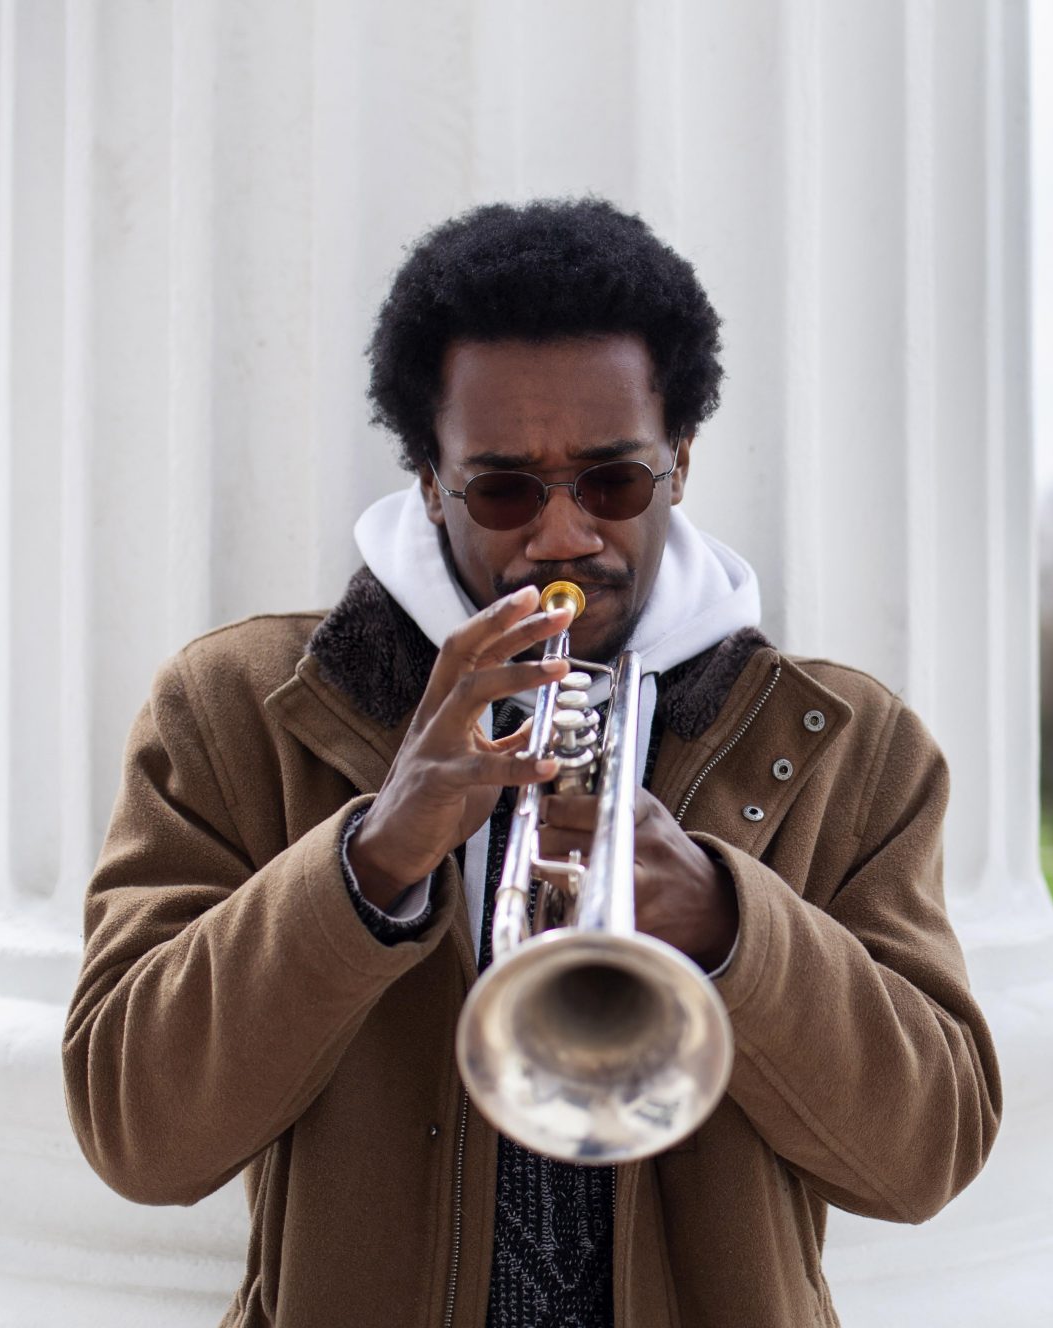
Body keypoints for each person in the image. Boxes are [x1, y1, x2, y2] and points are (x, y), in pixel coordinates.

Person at [62, 198, 1002, 1328]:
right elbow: (137, 1132)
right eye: (504, 489)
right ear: (427, 479)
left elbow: (926, 1153)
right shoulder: (232, 708)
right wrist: (371, 856)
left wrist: (726, 922)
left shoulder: (852, 742)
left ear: (681, 462)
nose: (562, 537)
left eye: (612, 481)